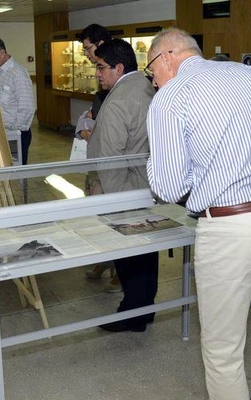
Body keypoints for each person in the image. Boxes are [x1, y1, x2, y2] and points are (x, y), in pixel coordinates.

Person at [145, 27, 251, 400]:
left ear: (167, 57)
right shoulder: (245, 74)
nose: (153, 82)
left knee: (224, 353)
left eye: (150, 72)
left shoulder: (172, 98)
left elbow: (169, 187)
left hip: (228, 227)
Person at [85, 38, 158, 333]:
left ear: (118, 67)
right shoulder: (146, 87)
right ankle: (145, 308)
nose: (97, 74)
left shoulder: (117, 102)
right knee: (146, 251)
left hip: (124, 191)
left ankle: (131, 314)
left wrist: (111, 204)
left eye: (101, 68)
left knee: (130, 255)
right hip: (145, 184)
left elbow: (111, 160)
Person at [76, 24, 120, 289]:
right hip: (95, 155)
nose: (87, 55)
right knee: (97, 209)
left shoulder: (115, 69)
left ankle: (119, 266)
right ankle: (105, 258)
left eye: (89, 48)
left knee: (112, 212)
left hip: (109, 158)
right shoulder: (102, 76)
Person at [0, 35, 35, 165]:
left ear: (2, 53)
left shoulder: (18, 73)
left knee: (14, 175)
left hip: (15, 135)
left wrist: (14, 132)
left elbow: (27, 108)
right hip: (0, 132)